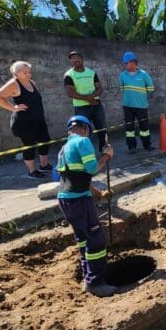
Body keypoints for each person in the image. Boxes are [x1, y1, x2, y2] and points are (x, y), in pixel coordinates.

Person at [57, 115, 116, 297]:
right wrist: (106, 156)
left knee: (83, 239)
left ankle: (87, 277)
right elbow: (91, 169)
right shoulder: (83, 142)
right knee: (96, 240)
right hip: (79, 200)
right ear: (86, 128)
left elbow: (78, 177)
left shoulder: (63, 148)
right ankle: (96, 283)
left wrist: (99, 194)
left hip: (66, 199)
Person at [0, 61, 52, 179]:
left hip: (39, 119)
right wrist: (13, 108)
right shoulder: (14, 84)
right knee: (29, 146)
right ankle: (32, 171)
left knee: (45, 140)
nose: (28, 74)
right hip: (24, 122)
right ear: (16, 74)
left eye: (29, 72)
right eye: (25, 73)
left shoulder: (32, 83)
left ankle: (44, 165)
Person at [64, 51, 107, 153]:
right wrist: (89, 99)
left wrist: (92, 98)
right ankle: (88, 153)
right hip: (81, 107)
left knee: (102, 128)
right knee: (84, 131)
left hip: (96, 105)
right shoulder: (69, 75)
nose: (75, 60)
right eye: (72, 58)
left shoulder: (91, 72)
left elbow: (100, 89)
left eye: (77, 57)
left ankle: (104, 150)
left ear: (82, 59)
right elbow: (71, 93)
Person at [119, 52, 155, 153]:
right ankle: (131, 147)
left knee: (144, 127)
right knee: (129, 128)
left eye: (127, 63)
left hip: (141, 106)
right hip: (127, 106)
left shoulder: (144, 74)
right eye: (125, 63)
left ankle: (147, 145)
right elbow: (122, 88)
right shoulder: (122, 75)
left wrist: (140, 96)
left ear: (134, 62)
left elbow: (151, 88)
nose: (126, 65)